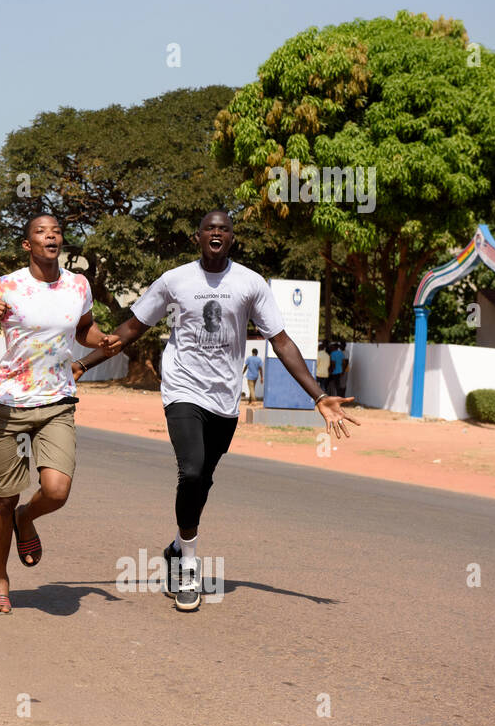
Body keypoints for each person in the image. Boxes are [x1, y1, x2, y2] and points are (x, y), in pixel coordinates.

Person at [76, 210, 358, 613]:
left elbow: (280, 340)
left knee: (203, 479)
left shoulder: (250, 283)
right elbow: (131, 329)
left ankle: (177, 547)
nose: (216, 233)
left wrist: (317, 395)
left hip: (225, 398)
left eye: (223, 229)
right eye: (209, 228)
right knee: (190, 471)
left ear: (231, 239)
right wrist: (83, 365)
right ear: (197, 237)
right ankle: (188, 565)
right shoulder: (175, 280)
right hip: (182, 389)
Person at [0, 214, 120, 616]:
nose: (51, 236)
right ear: (28, 245)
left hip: (56, 402)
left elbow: (83, 330)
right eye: (41, 232)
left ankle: (28, 518)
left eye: (56, 231)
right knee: (3, 500)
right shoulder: (6, 286)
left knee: (57, 491)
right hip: (10, 405)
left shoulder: (78, 285)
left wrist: (102, 340)